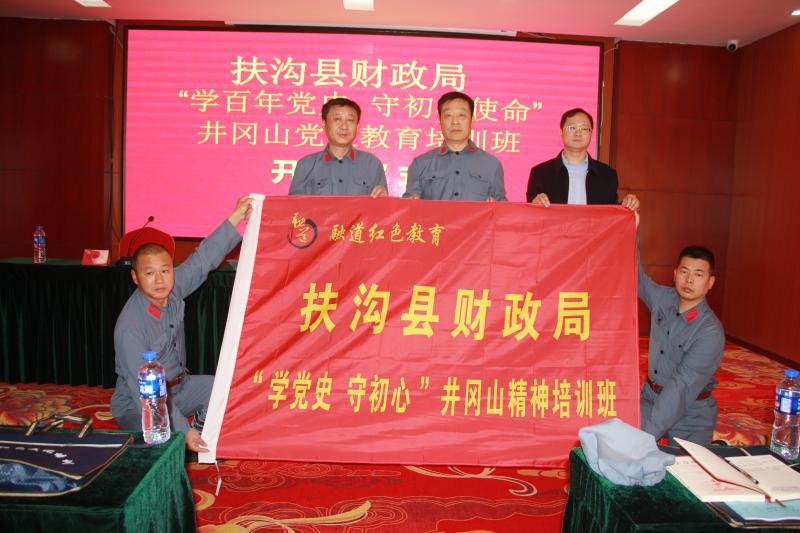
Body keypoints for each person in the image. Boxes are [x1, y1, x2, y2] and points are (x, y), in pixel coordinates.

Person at [110, 196, 253, 453]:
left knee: (225, 389)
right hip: (138, 404)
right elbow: (145, 393)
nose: (159, 280)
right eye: (149, 273)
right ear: (135, 277)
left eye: (165, 270)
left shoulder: (172, 289)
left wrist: (237, 216)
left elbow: (203, 259)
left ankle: (198, 433)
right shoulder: (130, 328)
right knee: (164, 445)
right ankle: (182, 440)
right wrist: (182, 430)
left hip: (179, 388)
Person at [637, 214, 724, 444]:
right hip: (650, 399)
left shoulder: (710, 332)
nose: (689, 280)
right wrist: (630, 230)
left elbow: (681, 388)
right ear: (675, 274)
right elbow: (637, 278)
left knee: (684, 468)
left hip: (691, 414)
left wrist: (644, 438)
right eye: (684, 272)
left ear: (710, 282)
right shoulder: (663, 298)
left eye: (698, 274)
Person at [527, 108, 639, 209]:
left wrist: (627, 204)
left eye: (584, 129)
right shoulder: (540, 173)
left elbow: (610, 214)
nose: (578, 133)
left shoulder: (607, 175)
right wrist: (534, 204)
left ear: (591, 133)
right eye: (572, 127)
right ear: (561, 131)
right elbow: (530, 214)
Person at [404, 91, 506, 201]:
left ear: (472, 119)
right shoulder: (420, 164)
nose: (455, 122)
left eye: (461, 115)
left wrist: (497, 206)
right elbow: (409, 205)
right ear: (440, 120)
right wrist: (412, 202)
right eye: (448, 116)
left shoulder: (491, 164)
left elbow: (502, 206)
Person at [288, 97, 388, 197]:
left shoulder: (372, 164)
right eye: (337, 119)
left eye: (350, 120)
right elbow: (295, 204)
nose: (344, 126)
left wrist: (383, 199)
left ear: (357, 126)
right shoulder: (306, 165)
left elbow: (381, 205)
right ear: (324, 124)